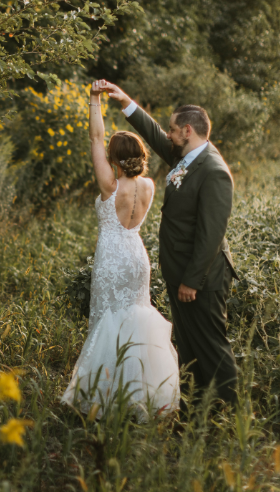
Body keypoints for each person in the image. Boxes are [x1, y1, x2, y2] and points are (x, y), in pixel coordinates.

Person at [93, 79, 240, 405]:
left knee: (212, 347)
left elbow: (211, 233)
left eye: (173, 130)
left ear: (188, 130)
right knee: (188, 345)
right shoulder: (186, 157)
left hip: (202, 279)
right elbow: (155, 136)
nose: (169, 135)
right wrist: (124, 101)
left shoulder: (213, 170)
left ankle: (234, 415)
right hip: (181, 273)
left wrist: (191, 280)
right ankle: (196, 409)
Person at [60, 80, 180, 420]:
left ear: (114, 159)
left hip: (112, 256)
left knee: (106, 323)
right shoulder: (149, 185)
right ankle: (145, 396)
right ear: (140, 156)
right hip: (137, 256)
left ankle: (106, 398)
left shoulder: (110, 185)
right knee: (136, 323)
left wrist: (94, 99)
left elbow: (95, 138)